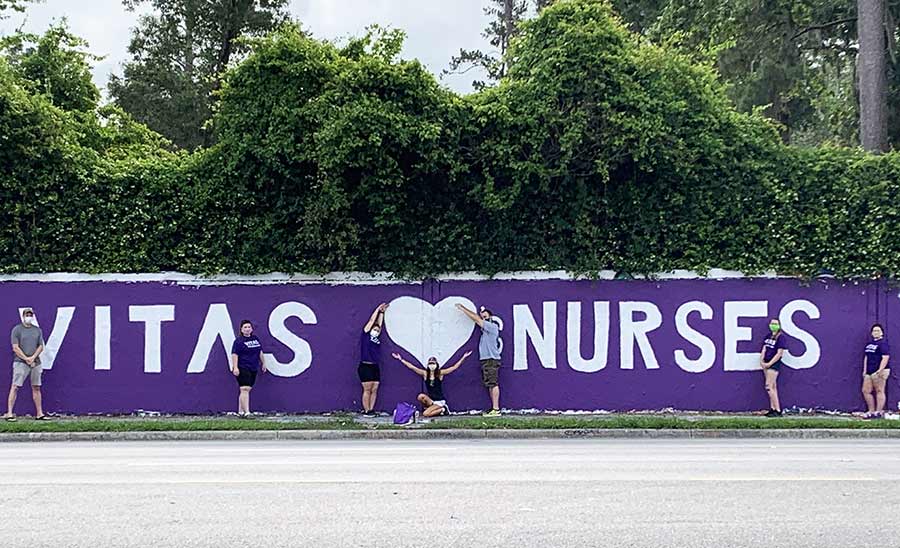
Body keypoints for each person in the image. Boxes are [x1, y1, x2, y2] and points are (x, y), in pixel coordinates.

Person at [392, 351, 472, 417]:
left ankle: (443, 409)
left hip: (439, 401)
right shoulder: (425, 374)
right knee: (420, 396)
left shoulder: (440, 373)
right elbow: (412, 367)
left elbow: (454, 367)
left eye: (433, 363)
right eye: (430, 363)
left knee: (425, 414)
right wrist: (401, 359)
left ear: (436, 364)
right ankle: (432, 408)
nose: (431, 365)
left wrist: (464, 357)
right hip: (431, 400)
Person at [456, 303, 502, 417]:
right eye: (483, 317)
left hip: (491, 359)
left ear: (490, 317)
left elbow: (476, 319)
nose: (483, 319)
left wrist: (463, 308)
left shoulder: (492, 327)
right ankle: (494, 409)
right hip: (486, 360)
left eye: (485, 317)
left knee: (493, 383)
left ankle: (496, 409)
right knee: (490, 384)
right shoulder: (485, 332)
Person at [4, 308, 48, 422]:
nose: (28, 316)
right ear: (23, 316)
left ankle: (39, 413)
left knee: (36, 387)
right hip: (20, 363)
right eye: (26, 314)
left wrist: (33, 358)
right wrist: (26, 358)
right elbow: (15, 347)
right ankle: (9, 413)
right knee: (15, 386)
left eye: (30, 314)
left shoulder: (37, 330)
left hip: (36, 363)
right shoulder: (17, 330)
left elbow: (40, 346)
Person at [230, 320, 266, 417]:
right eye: (245, 327)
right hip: (243, 367)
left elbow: (260, 351)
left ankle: (240, 411)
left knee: (246, 389)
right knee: (244, 388)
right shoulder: (238, 341)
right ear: (241, 329)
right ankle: (247, 412)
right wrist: (235, 367)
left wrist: (264, 363)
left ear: (252, 329)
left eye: (249, 327)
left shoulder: (255, 339)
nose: (247, 329)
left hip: (253, 367)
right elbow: (234, 354)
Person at [359, 303, 387, 416]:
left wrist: (382, 313)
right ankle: (366, 410)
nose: (376, 330)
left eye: (377, 330)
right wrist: (377, 309)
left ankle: (371, 409)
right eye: (374, 329)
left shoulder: (377, 338)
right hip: (365, 365)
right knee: (367, 389)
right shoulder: (366, 335)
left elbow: (380, 324)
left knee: (375, 388)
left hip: (375, 365)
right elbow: (372, 321)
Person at [862, 323, 890, 418]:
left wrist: (880, 370)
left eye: (878, 330)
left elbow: (885, 357)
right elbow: (866, 357)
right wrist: (865, 371)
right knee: (866, 390)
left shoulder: (883, 344)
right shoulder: (869, 344)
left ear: (881, 332)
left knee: (879, 390)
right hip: (869, 371)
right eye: (874, 331)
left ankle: (878, 412)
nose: (875, 332)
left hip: (879, 371)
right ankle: (871, 410)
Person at [760, 318, 786, 417]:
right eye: (771, 323)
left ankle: (778, 410)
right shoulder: (768, 336)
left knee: (768, 386)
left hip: (773, 364)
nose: (773, 325)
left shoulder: (781, 337)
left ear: (779, 325)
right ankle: (772, 408)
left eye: (775, 324)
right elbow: (764, 349)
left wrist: (769, 363)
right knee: (773, 386)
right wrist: (762, 360)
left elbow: (779, 354)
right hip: (766, 363)